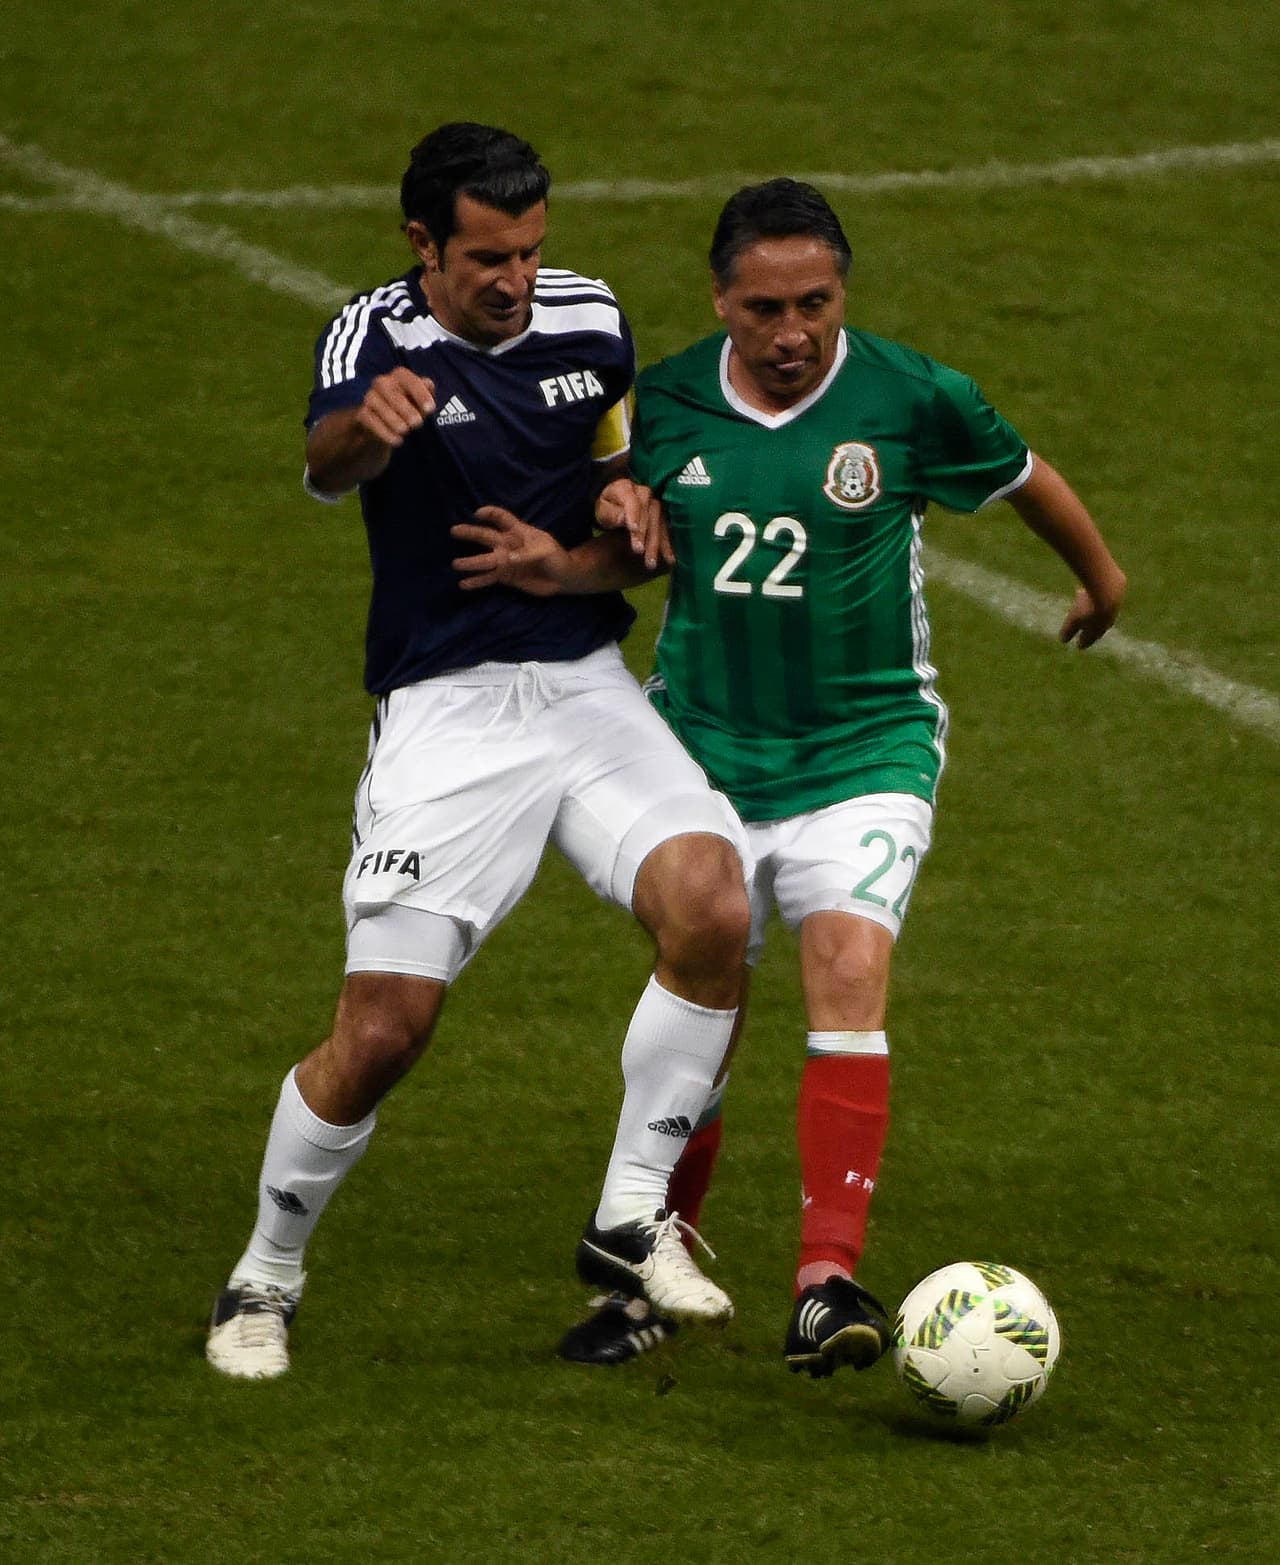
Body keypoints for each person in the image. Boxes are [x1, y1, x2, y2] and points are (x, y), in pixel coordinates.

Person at [452, 177, 1127, 1374]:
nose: (789, 332)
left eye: (812, 302)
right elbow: (623, 544)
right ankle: (648, 1263)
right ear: (719, 300)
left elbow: (1022, 474)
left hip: (866, 746)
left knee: (846, 962)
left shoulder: (909, 394)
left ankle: (824, 1283)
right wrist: (565, 561)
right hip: (701, 750)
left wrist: (1101, 577)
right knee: (702, 994)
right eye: (761, 307)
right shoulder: (657, 404)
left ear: (839, 293)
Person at [205, 122, 753, 1381]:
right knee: (385, 1027)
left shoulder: (588, 319)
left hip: (581, 682)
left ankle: (628, 1218)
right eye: (489, 257)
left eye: (532, 250)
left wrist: (625, 503)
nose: (516, 279)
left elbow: (621, 479)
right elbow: (323, 464)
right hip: (445, 709)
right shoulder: (369, 335)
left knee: (713, 907)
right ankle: (262, 1276)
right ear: (423, 246)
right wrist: (369, 430)